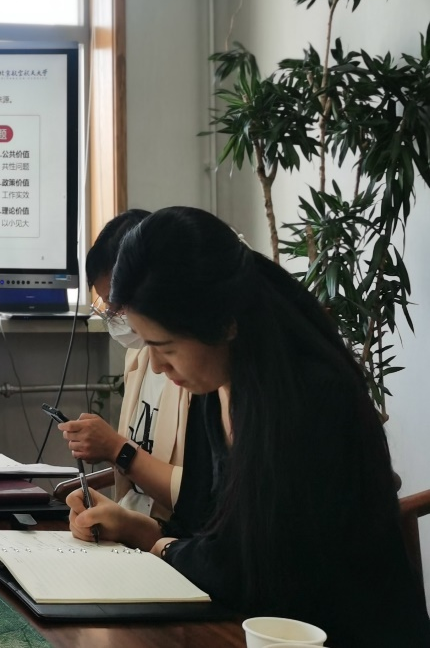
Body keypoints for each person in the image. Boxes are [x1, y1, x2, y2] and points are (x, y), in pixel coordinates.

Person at [65, 206, 429, 646]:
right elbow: (205, 524)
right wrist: (139, 529)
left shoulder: (310, 397)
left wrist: (158, 545)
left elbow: (258, 570)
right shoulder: (217, 383)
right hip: (256, 625)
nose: (157, 366)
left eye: (166, 348)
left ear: (225, 324)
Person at [57, 208, 189, 520]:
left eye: (118, 307)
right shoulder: (138, 354)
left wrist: (117, 449)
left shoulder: (201, 370)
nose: (114, 318)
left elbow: (202, 493)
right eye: (107, 306)